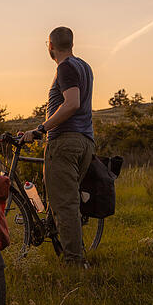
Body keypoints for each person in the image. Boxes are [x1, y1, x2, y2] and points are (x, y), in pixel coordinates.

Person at [22, 26, 95, 267]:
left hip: (65, 141)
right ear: (72, 44)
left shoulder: (65, 67)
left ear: (50, 46)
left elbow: (71, 103)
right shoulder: (85, 66)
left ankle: (74, 263)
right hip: (85, 141)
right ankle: (66, 247)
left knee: (65, 205)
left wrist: (41, 129)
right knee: (65, 199)